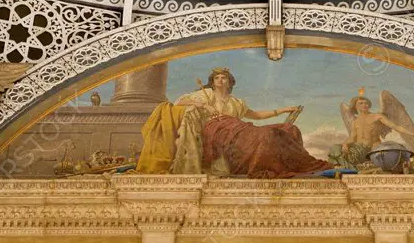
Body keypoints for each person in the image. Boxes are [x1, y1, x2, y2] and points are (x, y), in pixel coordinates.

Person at [137, 68, 331, 177]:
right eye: (217, 78)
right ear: (212, 82)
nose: (221, 81)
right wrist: (204, 107)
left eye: (224, 78)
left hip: (238, 129)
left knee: (286, 129)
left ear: (230, 82)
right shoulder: (204, 95)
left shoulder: (237, 102)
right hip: (217, 131)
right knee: (264, 135)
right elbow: (179, 102)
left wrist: (283, 110)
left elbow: (256, 116)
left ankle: (292, 163)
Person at [330, 92, 414, 170]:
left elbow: (397, 126)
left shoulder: (377, 116)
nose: (365, 105)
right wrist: (345, 144)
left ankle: (355, 167)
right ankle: (351, 167)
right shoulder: (355, 122)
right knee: (335, 149)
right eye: (361, 103)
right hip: (358, 149)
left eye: (366, 103)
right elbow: (352, 137)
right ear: (356, 106)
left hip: (373, 149)